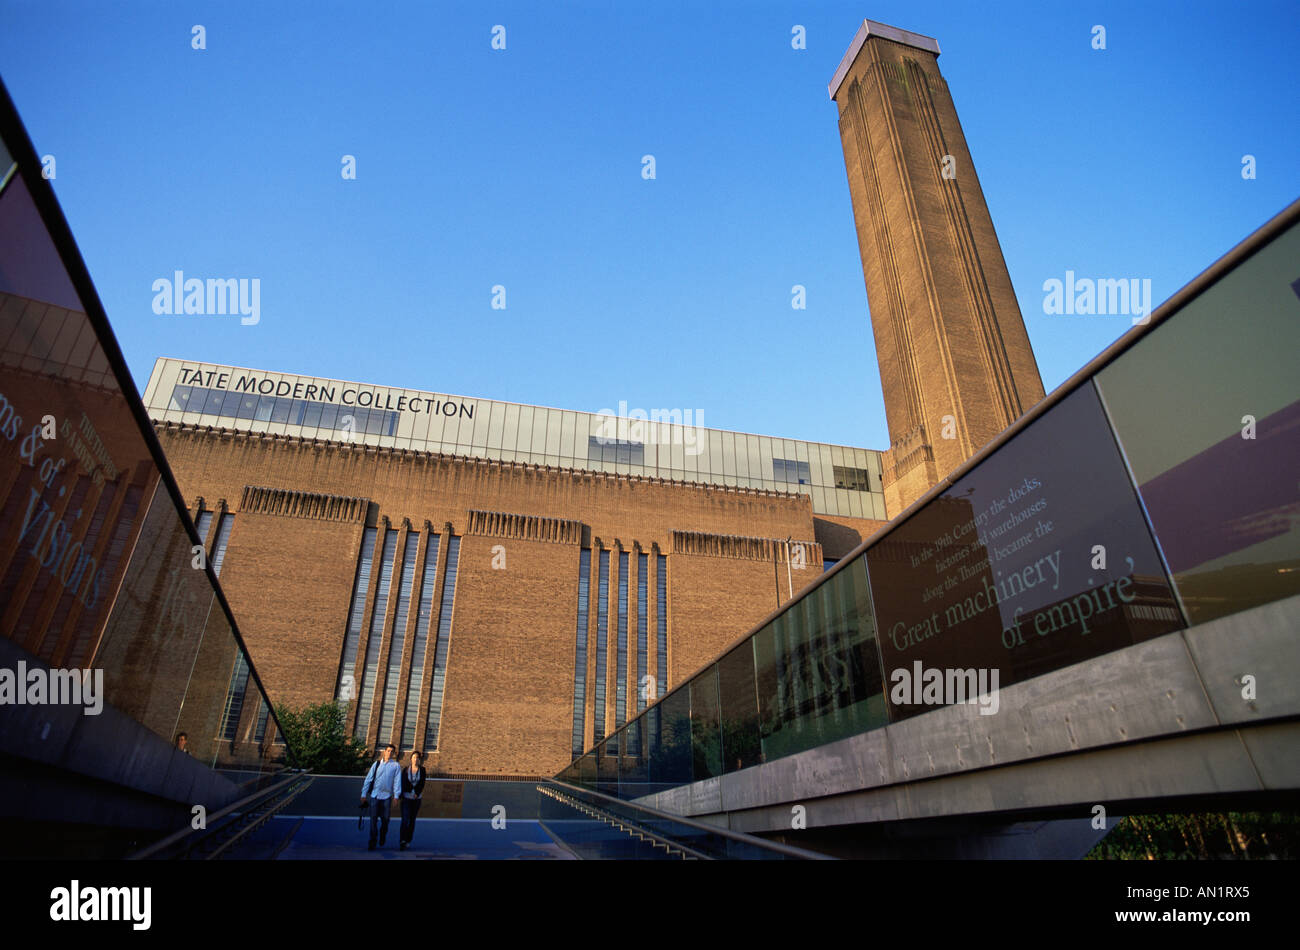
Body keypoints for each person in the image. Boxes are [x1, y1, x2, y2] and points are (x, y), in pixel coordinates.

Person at [359, 744, 401, 851]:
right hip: (375, 796)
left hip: (386, 797)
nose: (389, 753)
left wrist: (396, 796)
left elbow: (397, 782)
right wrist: (363, 794)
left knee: (385, 820)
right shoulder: (377, 764)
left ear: (394, 753)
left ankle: (383, 835)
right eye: (388, 751)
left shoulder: (396, 766)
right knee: (373, 820)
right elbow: (368, 779)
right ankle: (372, 841)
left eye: (392, 751)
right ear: (384, 752)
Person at [398, 750, 426, 851]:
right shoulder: (405, 770)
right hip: (406, 798)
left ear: (419, 760)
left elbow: (422, 783)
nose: (416, 759)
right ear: (411, 759)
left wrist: (416, 793)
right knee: (405, 820)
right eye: (414, 757)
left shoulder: (422, 770)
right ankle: (402, 840)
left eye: (418, 758)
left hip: (416, 799)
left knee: (412, 820)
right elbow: (403, 782)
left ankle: (408, 840)